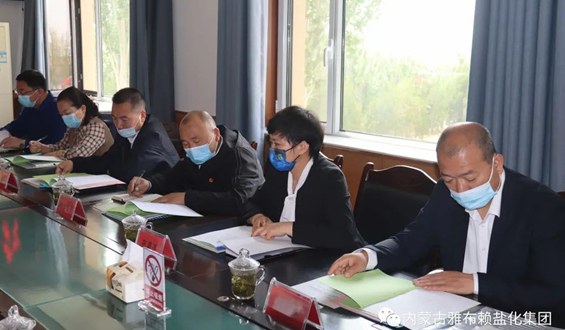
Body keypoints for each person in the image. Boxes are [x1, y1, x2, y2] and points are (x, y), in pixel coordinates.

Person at [328, 122, 565, 317]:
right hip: (456, 315)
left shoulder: (544, 209)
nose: (461, 189)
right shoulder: (445, 193)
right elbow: (412, 240)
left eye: (470, 178)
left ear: (497, 164)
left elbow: (556, 295)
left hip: (519, 321)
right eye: (449, 179)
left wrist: (475, 283)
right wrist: (367, 256)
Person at [243, 106, 365, 252]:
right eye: (271, 143)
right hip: (282, 252)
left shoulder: (330, 177)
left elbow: (343, 235)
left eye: (278, 144)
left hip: (325, 257)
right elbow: (250, 203)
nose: (273, 150)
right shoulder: (280, 171)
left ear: (302, 147)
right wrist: (257, 217)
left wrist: (287, 228)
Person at [127, 110, 264, 216]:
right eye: (185, 143)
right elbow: (174, 176)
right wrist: (149, 183)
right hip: (204, 216)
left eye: (196, 141)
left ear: (216, 134)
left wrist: (186, 198)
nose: (192, 148)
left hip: (244, 221)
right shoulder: (195, 153)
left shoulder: (240, 154)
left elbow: (238, 199)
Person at [56, 88, 179, 183]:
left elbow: (129, 174)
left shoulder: (152, 137)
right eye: (114, 118)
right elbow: (106, 160)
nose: (118, 125)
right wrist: (74, 164)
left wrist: (109, 169)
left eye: (124, 119)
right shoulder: (127, 131)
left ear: (142, 116)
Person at [29, 87, 114, 159]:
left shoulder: (96, 126)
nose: (65, 118)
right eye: (61, 115)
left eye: (67, 113)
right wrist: (43, 147)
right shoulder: (74, 126)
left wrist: (56, 154)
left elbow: (79, 154)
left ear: (83, 109)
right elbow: (61, 146)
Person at [0, 70, 67, 149]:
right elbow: (16, 127)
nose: (19, 96)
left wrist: (23, 143)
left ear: (39, 92)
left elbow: (57, 143)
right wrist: (4, 133)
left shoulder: (58, 109)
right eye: (18, 91)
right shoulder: (30, 108)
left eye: (22, 91)